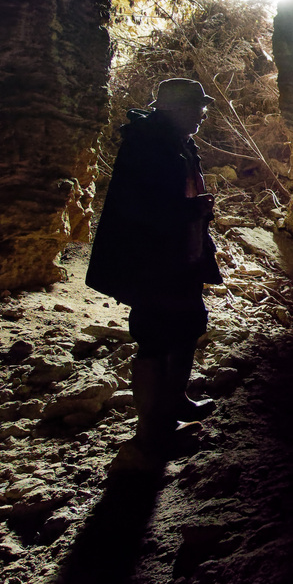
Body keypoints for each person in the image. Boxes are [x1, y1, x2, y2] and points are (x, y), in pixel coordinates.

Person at [86, 78, 223, 469]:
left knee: (188, 322)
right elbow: (139, 210)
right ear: (175, 108)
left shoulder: (177, 139)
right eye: (197, 107)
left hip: (181, 252)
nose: (202, 113)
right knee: (154, 335)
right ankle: (150, 429)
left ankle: (175, 401)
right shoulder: (146, 144)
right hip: (152, 260)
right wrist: (190, 211)